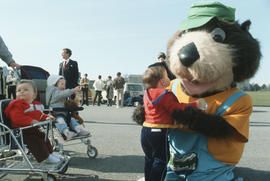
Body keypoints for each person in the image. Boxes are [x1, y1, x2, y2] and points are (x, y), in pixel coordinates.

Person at [140, 62, 207, 181]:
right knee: (161, 161)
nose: (169, 78)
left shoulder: (147, 93)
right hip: (159, 132)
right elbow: (177, 108)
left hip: (146, 131)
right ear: (161, 81)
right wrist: (196, 104)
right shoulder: (165, 94)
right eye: (166, 76)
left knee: (149, 159)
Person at [4, 79, 61, 164]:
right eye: (18, 91)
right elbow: (17, 118)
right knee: (35, 140)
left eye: (25, 90)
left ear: (33, 95)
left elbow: (37, 114)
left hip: (29, 129)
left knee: (42, 136)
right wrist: (30, 121)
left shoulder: (30, 106)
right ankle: (45, 157)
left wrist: (47, 117)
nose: (21, 92)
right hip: (20, 132)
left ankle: (50, 153)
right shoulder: (16, 105)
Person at [46, 75, 90, 140]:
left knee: (72, 120)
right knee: (61, 121)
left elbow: (64, 96)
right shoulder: (54, 92)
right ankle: (66, 132)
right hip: (55, 114)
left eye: (64, 84)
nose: (64, 86)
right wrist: (73, 90)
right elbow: (62, 94)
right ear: (54, 84)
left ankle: (79, 130)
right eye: (62, 84)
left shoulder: (59, 92)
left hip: (64, 113)